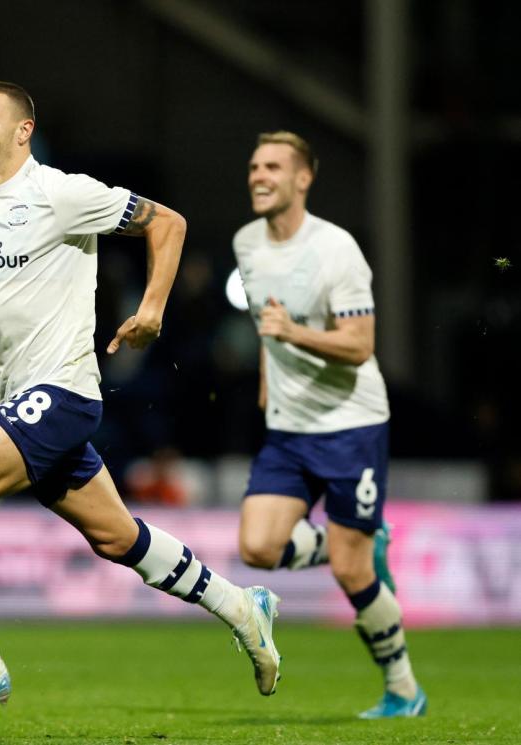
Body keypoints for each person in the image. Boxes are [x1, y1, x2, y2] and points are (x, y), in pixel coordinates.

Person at [0, 81, 282, 718]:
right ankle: (243, 607)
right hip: (8, 398)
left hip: (61, 391)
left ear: (23, 131)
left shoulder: (63, 194)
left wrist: (152, 309)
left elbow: (169, 222)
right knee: (118, 538)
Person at [232, 131, 425, 719]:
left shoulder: (336, 249)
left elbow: (361, 343)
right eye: (253, 165)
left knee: (350, 569)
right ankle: (369, 539)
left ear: (303, 179)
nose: (258, 175)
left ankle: (403, 689)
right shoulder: (247, 242)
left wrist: (294, 334)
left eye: (272, 166)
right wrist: (271, 378)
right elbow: (269, 321)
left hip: (350, 424)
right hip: (290, 429)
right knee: (257, 547)